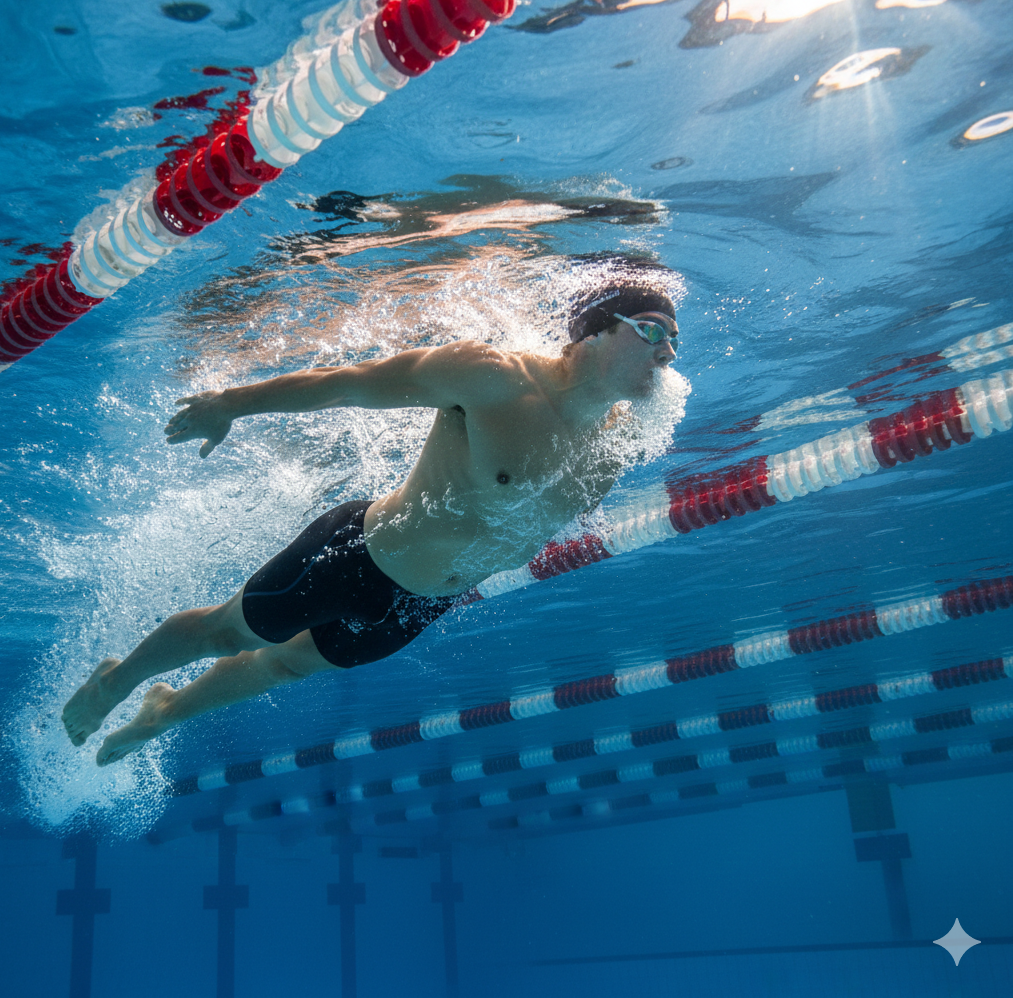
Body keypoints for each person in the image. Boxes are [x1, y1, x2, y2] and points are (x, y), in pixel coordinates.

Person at [61, 277, 679, 766]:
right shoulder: (494, 378)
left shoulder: (613, 448)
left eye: (674, 341)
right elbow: (347, 385)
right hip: (360, 556)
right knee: (232, 635)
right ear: (596, 331)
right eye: (652, 330)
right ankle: (118, 680)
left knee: (282, 667)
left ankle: (162, 713)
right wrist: (230, 404)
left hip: (421, 606)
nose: (668, 352)